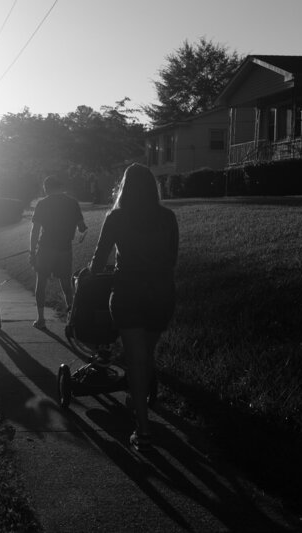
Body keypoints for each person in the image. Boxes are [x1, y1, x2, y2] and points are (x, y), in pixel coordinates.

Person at [88, 163, 179, 452]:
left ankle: (143, 429)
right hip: (162, 295)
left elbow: (100, 259)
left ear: (125, 188)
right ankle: (138, 401)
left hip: (128, 294)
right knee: (146, 355)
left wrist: (92, 270)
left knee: (137, 360)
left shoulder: (117, 217)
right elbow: (172, 259)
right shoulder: (167, 217)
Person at [29, 175, 88, 329]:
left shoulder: (42, 203)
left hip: (46, 248)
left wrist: (32, 251)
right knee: (66, 285)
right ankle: (71, 318)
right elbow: (82, 227)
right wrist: (81, 231)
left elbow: (35, 230)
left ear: (47, 188)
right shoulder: (72, 203)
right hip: (64, 249)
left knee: (41, 283)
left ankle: (41, 319)